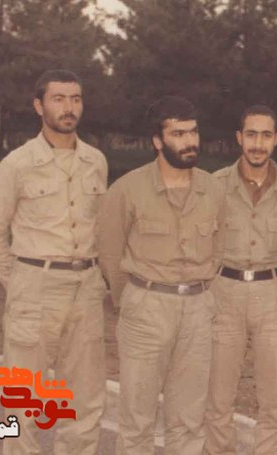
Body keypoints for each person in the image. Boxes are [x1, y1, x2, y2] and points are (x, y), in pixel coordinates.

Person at [0, 69, 107, 455]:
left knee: (84, 401)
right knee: (24, 401)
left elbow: (100, 228)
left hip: (85, 290)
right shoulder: (17, 164)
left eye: (75, 99)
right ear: (39, 106)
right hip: (35, 288)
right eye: (59, 99)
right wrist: (19, 281)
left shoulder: (95, 161)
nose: (69, 108)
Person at [97, 96, 224, 455]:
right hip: (146, 308)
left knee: (189, 419)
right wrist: (131, 299)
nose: (189, 141)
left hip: (197, 309)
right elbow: (109, 251)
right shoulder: (128, 189)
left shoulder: (213, 190)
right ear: (157, 140)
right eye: (178, 133)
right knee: (137, 418)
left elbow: (219, 248)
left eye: (193, 132)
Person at [204, 105, 277, 455]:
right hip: (224, 293)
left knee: (273, 397)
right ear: (239, 138)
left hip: (272, 293)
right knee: (217, 394)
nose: (258, 144)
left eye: (265, 135)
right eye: (251, 135)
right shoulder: (215, 185)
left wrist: (275, 284)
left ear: (276, 140)